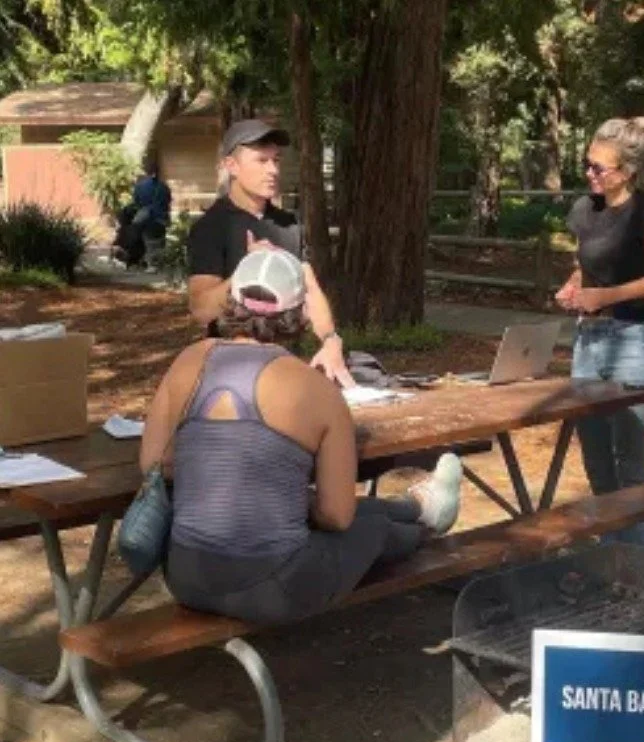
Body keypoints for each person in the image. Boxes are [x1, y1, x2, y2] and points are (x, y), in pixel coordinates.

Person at [141, 247, 462, 624]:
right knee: (367, 525)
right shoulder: (318, 390)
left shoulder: (187, 361)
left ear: (230, 301)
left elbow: (154, 464)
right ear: (302, 313)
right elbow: (337, 516)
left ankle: (417, 505)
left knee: (361, 511)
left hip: (185, 575)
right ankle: (428, 521)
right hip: (274, 588)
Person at [556, 117, 644, 547]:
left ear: (627, 172)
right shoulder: (584, 209)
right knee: (596, 458)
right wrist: (574, 286)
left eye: (599, 168)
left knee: (630, 459)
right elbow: (585, 264)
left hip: (631, 339)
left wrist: (607, 295)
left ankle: (642, 560)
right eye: (587, 165)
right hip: (588, 340)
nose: (589, 174)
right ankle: (610, 554)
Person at [186, 119, 354, 387]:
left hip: (287, 363)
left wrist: (331, 340)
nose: (273, 170)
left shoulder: (288, 224)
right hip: (232, 371)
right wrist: (248, 270)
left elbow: (309, 287)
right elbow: (201, 310)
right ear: (232, 166)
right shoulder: (212, 227)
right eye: (261, 161)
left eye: (276, 160)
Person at [112, 166, 172, 269]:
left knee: (137, 236)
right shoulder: (163, 186)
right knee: (156, 242)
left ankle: (140, 262)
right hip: (160, 219)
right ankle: (153, 263)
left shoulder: (140, 186)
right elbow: (167, 202)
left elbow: (137, 203)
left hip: (144, 219)